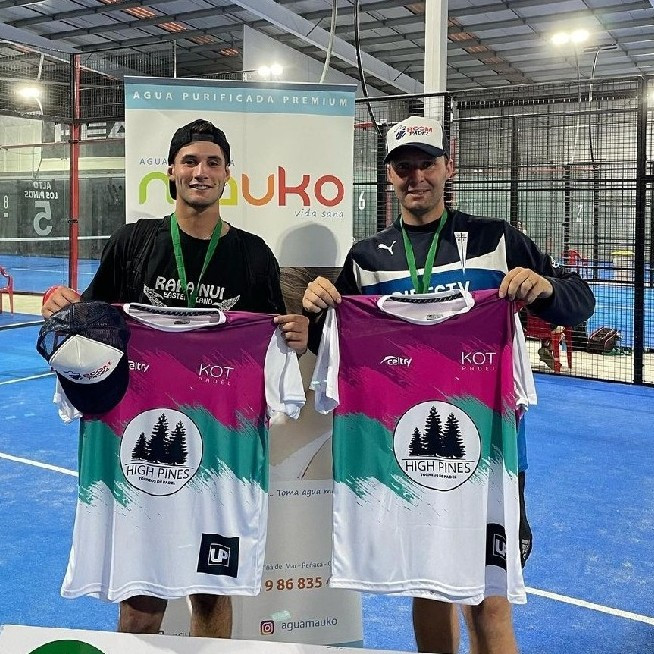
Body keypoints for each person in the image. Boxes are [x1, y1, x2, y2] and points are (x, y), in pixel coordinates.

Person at [302, 115, 594, 654]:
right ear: (390, 175)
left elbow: (580, 303)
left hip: (492, 454)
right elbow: (334, 348)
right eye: (404, 167)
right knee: (427, 587)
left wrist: (544, 287)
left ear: (448, 167)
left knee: (489, 600)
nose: (416, 177)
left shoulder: (496, 240)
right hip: (405, 452)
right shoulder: (367, 259)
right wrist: (318, 310)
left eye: (427, 164)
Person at [42, 118, 309, 637]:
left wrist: (295, 337)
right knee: (142, 595)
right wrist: (62, 307)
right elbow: (89, 328)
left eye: (212, 163)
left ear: (227, 175)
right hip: (140, 448)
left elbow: (274, 337)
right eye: (190, 161)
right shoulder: (133, 243)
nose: (200, 172)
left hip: (220, 450)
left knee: (210, 591)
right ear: (171, 170)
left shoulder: (253, 255)